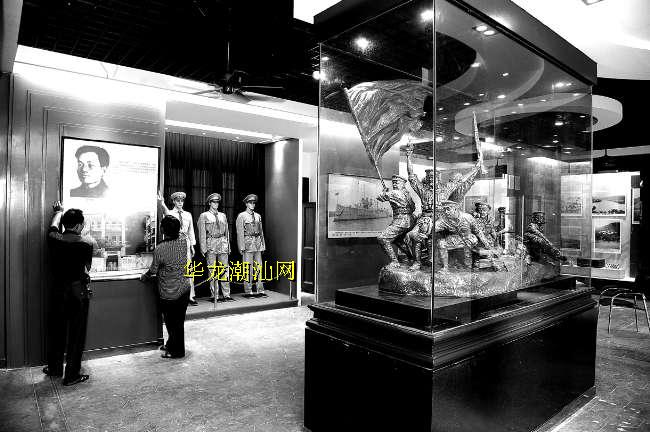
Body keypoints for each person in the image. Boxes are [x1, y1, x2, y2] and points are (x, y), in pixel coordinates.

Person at [44, 201, 94, 386]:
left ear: (65, 224)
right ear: (80, 225)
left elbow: (53, 226)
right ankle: (72, 375)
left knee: (57, 331)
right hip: (77, 293)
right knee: (76, 334)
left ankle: (55, 369)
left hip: (58, 291)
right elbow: (87, 267)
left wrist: (58, 211)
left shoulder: (54, 238)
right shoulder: (86, 243)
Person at [141, 215, 192, 358]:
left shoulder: (160, 248)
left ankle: (177, 352)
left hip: (168, 291)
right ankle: (171, 345)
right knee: (178, 322)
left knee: (171, 323)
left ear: (163, 230)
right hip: (184, 288)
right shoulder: (184, 241)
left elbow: (153, 269)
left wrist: (145, 276)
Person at [158, 191, 198, 305]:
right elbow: (166, 215)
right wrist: (162, 204)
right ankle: (178, 294)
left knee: (189, 269)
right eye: (178, 201)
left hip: (186, 243)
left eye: (182, 201)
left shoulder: (188, 215)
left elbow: (191, 231)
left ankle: (190, 295)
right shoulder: (170, 213)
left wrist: (192, 245)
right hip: (175, 243)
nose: (180, 203)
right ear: (174, 202)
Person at [435, 200, 497, 270]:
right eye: (444, 210)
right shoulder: (443, 219)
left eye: (448, 209)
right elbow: (434, 228)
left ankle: (469, 265)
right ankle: (445, 268)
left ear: (455, 209)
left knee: (471, 249)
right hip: (456, 238)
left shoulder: (467, 217)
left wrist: (487, 245)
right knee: (441, 243)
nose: (446, 212)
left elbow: (478, 231)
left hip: (470, 238)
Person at [197, 193, 234, 302]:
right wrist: (203, 247)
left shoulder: (223, 215)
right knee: (212, 270)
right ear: (209, 203)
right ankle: (214, 295)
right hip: (211, 242)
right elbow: (202, 233)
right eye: (214, 202)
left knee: (225, 269)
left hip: (222, 242)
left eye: (217, 202)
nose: (216, 204)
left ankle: (226, 294)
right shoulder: (204, 216)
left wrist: (228, 246)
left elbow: (227, 232)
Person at [405, 143, 435, 270]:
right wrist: (408, 156)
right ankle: (417, 262)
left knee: (432, 238)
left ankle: (432, 260)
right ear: (425, 179)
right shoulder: (423, 190)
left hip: (439, 219)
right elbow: (411, 175)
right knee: (414, 236)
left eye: (433, 177)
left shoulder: (444, 190)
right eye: (429, 177)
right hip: (424, 218)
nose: (431, 179)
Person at [377, 175, 416, 267]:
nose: (394, 184)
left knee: (382, 238)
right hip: (410, 220)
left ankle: (394, 262)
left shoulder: (395, 192)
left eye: (396, 182)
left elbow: (380, 197)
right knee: (398, 240)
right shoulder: (407, 194)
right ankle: (412, 258)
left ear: (403, 184)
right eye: (393, 183)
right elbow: (413, 208)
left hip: (400, 221)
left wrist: (384, 191)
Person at [236, 194, 267, 298]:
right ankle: (248, 290)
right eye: (250, 203)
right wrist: (241, 246)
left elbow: (261, 231)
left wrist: (263, 245)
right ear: (246, 204)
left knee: (259, 268)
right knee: (248, 268)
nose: (252, 204)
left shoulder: (258, 216)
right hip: (248, 244)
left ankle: (260, 289)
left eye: (254, 203)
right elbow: (240, 232)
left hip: (257, 244)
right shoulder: (242, 216)